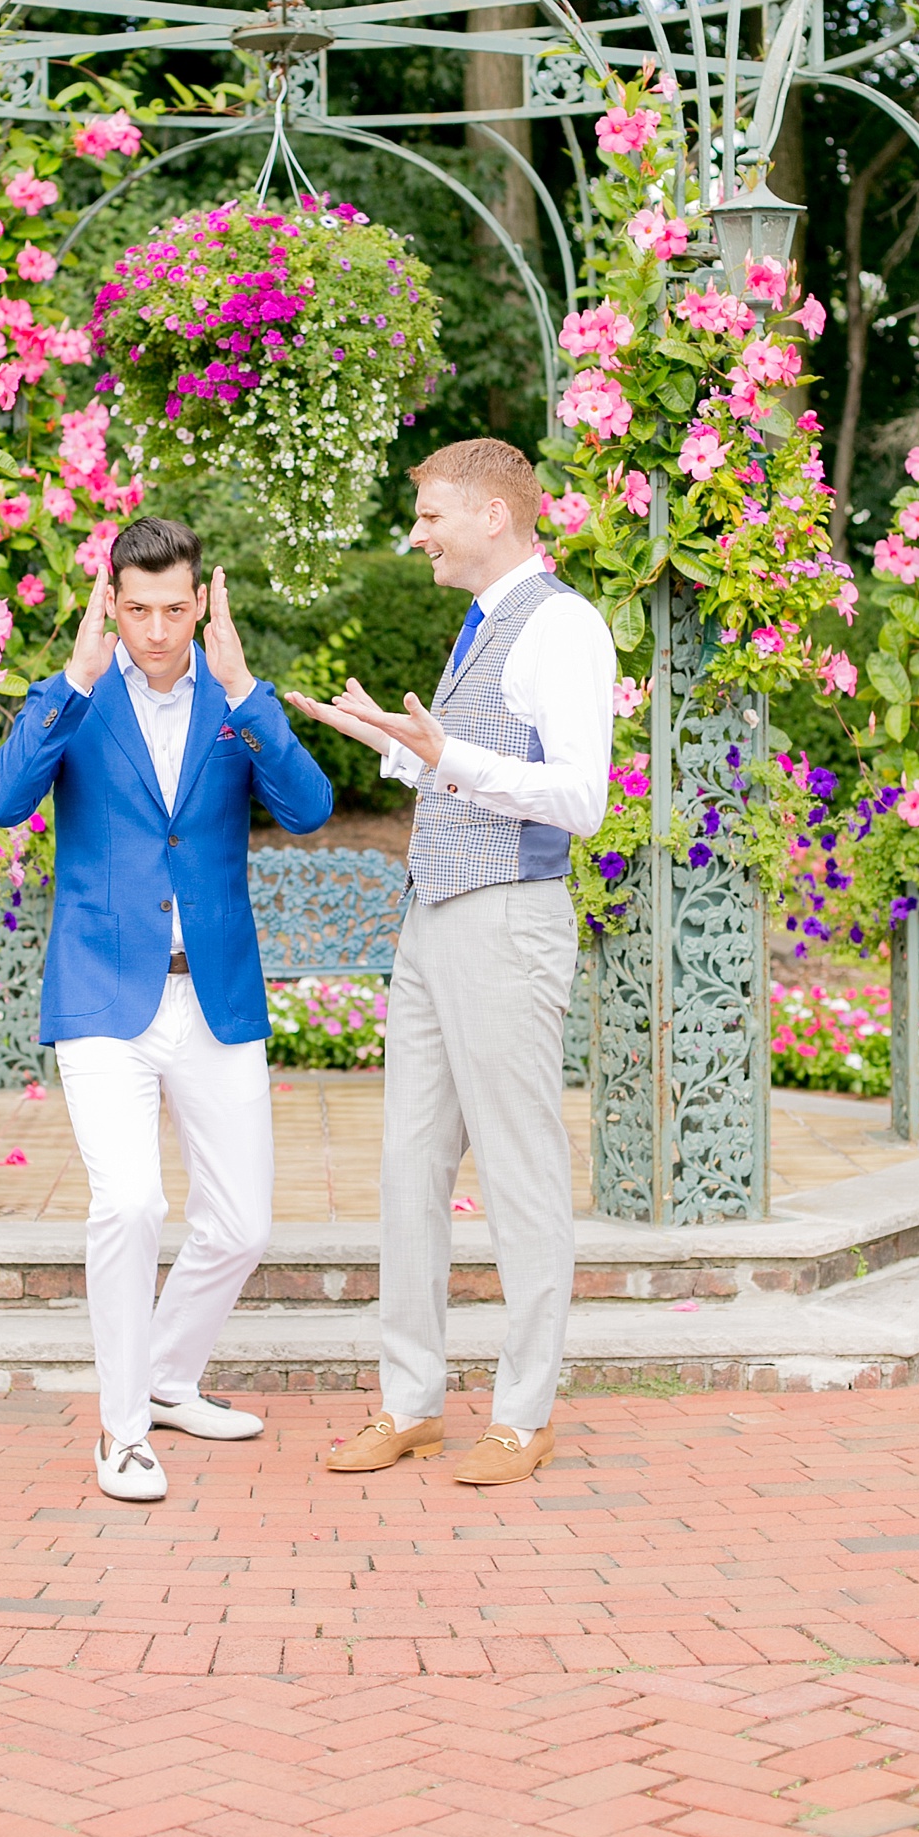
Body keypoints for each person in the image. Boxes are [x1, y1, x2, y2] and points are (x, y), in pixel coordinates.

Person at [0, 515, 333, 1502]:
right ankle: (122, 1430)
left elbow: (307, 809)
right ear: (110, 605)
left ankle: (168, 1379)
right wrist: (74, 680)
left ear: (201, 602)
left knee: (241, 1225)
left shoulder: (233, 702)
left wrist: (248, 691)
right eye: (138, 611)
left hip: (212, 993)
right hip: (101, 992)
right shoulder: (76, 701)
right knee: (129, 1203)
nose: (158, 629)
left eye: (176, 608)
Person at [287, 438, 614, 1485]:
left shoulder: (562, 626)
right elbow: (466, 766)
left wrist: (443, 757)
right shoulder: (480, 625)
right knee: (404, 1172)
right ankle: (409, 1404)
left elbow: (577, 798)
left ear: (491, 515)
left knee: (519, 1174)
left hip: (507, 921)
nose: (416, 532)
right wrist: (389, 741)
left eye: (429, 514)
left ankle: (522, 1416)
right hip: (433, 922)